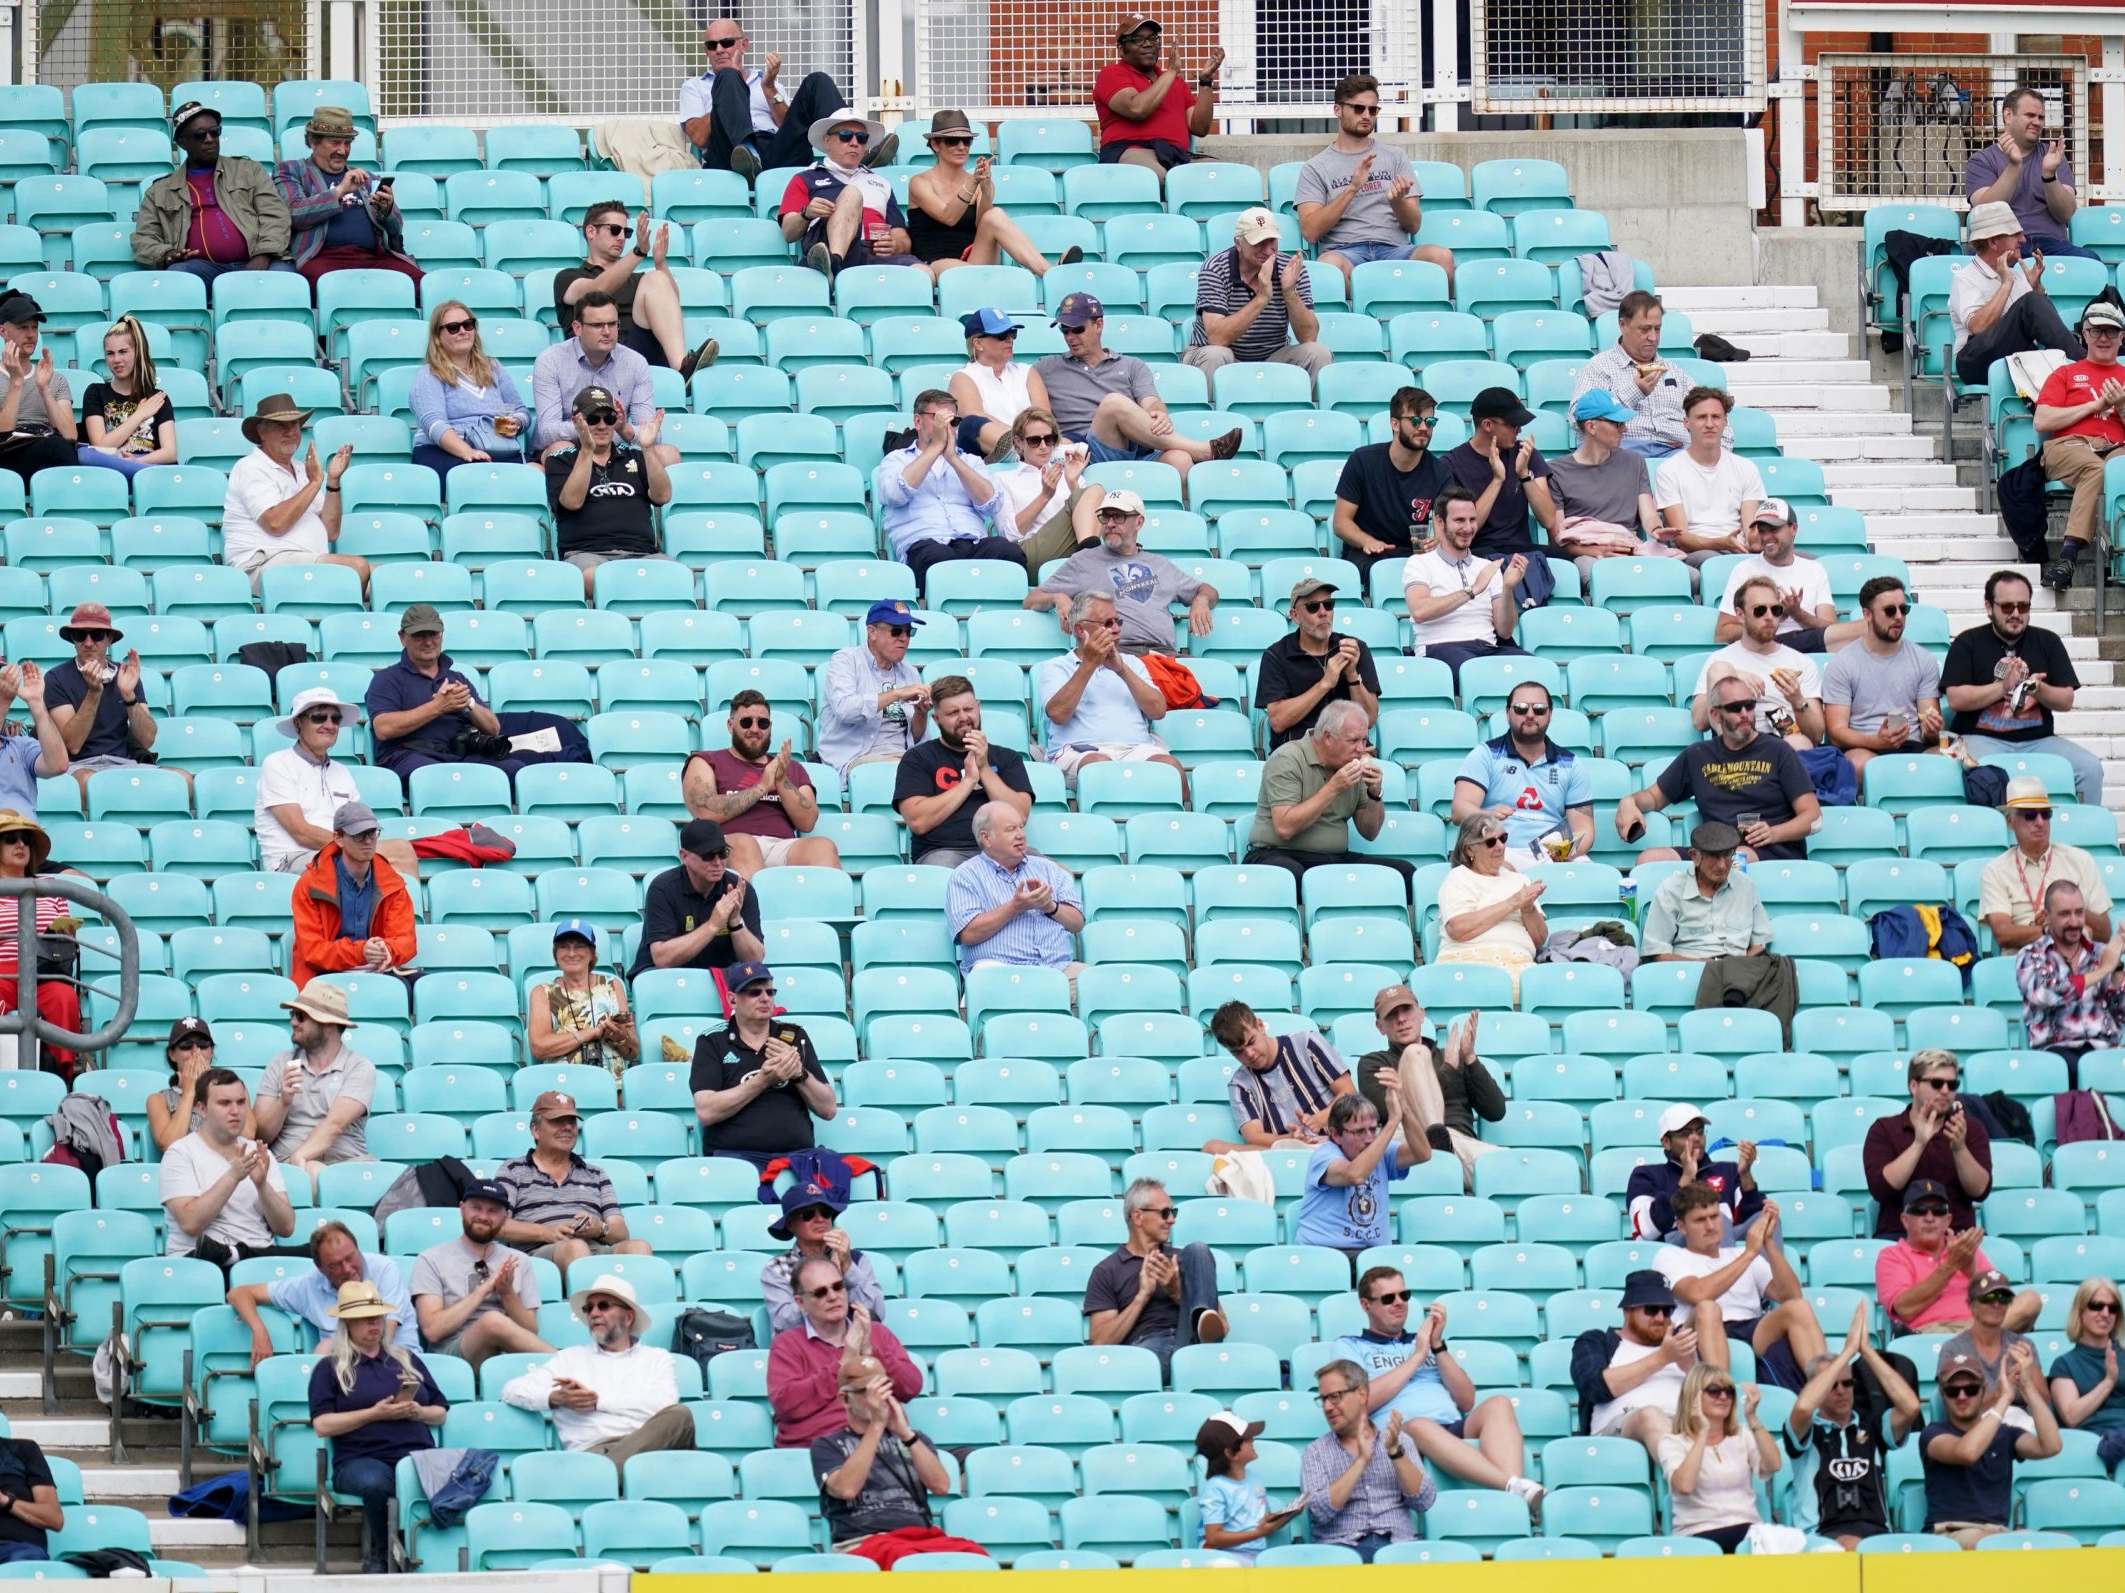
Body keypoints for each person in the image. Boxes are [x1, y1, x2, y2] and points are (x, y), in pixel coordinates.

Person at [1331, 1267, 1543, 1509]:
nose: (1399, 1303)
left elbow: (1466, 1401)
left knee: (1499, 1404)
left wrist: (1437, 1346)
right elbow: (1359, 1405)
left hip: (1451, 1426)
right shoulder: (1349, 1346)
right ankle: (1513, 1489)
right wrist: (1418, 1357)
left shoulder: (1424, 1340)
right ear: (1366, 1306)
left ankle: (1515, 1495)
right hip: (1400, 1434)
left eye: (1404, 1295)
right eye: (1389, 1298)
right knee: (1420, 1424)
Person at [308, 1280, 446, 1573]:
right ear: (347, 1323)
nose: (374, 1323)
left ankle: (433, 1555)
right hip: (360, 1459)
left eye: (378, 1316)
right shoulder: (329, 1368)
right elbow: (322, 1425)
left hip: (415, 1454)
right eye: (365, 1318)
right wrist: (374, 1413)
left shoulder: (406, 1360)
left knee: (452, 1474)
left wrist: (417, 1411)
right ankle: (382, 1553)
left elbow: (440, 1412)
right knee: (376, 1482)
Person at [1617, 672, 1822, 863]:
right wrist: (1629, 802)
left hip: (1770, 851)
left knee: (1737, 858)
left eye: (1749, 705)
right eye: (1735, 708)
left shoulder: (1778, 751)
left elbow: (1813, 816)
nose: (1744, 713)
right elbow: (1654, 797)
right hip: (1713, 852)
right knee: (1649, 860)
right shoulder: (1698, 755)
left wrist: (1773, 832)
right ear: (1715, 715)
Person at [1035, 293, 1239, 478]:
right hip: (1082, 452)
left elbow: (1151, 402)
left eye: (1077, 329)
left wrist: (1158, 413)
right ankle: (1203, 451)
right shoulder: (1045, 368)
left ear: (1099, 325)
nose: (1070, 337)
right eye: (1064, 330)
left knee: (1180, 460)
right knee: (1113, 403)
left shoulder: (1132, 365)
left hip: (1132, 448)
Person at [1941, 569, 2101, 804]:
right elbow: (1956, 699)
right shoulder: (1968, 642)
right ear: (1989, 607)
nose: (2016, 614)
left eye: (2023, 607)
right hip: (1980, 738)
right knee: (1959, 769)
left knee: (2090, 768)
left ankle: (2082, 836)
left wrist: (2038, 688)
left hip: (2039, 740)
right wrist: (2002, 687)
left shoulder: (2048, 641)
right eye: (2007, 607)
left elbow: (2066, 700)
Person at [501, 1275, 695, 1463]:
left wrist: (596, 1402)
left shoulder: (657, 1358)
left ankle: (605, 1476)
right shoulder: (569, 1358)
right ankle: (604, 1474)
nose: (593, 1314)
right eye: (589, 1308)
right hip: (591, 1454)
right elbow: (511, 1390)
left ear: (628, 1318)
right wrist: (555, 1398)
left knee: (680, 1416)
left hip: (648, 1450)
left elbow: (663, 1405)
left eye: (603, 1306)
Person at [1296, 74, 1453, 291]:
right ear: (1337, 110)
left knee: (1441, 257)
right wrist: (1352, 188)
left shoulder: (1395, 157)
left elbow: (1413, 225)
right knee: (1328, 266)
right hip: (1346, 253)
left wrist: (1397, 201)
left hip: (1395, 249)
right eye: (1359, 109)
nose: (1367, 115)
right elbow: (1311, 231)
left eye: (1373, 110)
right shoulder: (1315, 167)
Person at [1782, 1306, 1923, 1549]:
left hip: (1878, 1535)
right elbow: (1805, 1407)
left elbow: (1910, 1408)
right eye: (1832, 1384)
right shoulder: (1806, 1430)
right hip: (1820, 1536)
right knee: (1850, 1545)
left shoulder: (1872, 1424)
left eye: (1848, 1383)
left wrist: (1866, 1352)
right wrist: (1847, 1353)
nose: (1841, 1390)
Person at [1658, 1186, 1822, 1392]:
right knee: (1708, 1307)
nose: (1710, 1226)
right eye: (1700, 1220)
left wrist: (1769, 1245)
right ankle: (1720, 1393)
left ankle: (1824, 1395)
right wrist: (1750, 1253)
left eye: (1714, 1217)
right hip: (1698, 1329)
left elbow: (1791, 1295)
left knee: (1799, 1308)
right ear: (1682, 1227)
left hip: (1749, 1327)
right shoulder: (1670, 1256)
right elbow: (1697, 1294)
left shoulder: (1739, 1254)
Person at [254, 687, 419, 879]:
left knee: (402, 849)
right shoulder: (277, 763)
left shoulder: (342, 772)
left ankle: (404, 910)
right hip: (292, 860)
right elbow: (301, 832)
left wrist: (360, 847)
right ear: (299, 723)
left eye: (335, 719)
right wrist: (355, 848)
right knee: (368, 863)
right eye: (319, 717)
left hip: (340, 853)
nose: (329, 724)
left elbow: (359, 826)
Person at [1241, 700, 1405, 891]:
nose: (1361, 749)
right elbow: (1285, 827)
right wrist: (1333, 788)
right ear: (1327, 737)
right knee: (1292, 875)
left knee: (1402, 874)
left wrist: (1374, 793)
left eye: (1364, 740)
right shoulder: (1287, 759)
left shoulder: (1352, 763)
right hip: (1278, 853)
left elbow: (1369, 832)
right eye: (1353, 741)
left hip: (1333, 859)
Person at [1026, 489, 1214, 654]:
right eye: (1105, 517)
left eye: (1119, 516)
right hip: (1111, 653)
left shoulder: (1160, 564)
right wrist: (1057, 597)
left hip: (1163, 656)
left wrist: (1201, 599)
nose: (1110, 524)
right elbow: (1031, 600)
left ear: (1139, 522)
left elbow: (1207, 589)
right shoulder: (1084, 561)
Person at [691, 959, 837, 1172]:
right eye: (754, 993)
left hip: (797, 1158)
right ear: (732, 999)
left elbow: (828, 1109)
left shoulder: (794, 1036)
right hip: (735, 1160)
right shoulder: (712, 1041)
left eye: (770, 992)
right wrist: (763, 1080)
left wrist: (799, 1073)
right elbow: (706, 1111)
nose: (765, 998)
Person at [680, 16, 867, 179]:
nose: (719, 49)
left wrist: (769, 89)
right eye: (712, 45)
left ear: (743, 45)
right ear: (706, 52)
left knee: (817, 80)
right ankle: (748, 155)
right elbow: (700, 138)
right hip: (730, 156)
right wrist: (727, 93)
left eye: (727, 42)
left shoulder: (765, 81)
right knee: (728, 78)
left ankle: (856, 145)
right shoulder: (695, 86)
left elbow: (789, 125)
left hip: (776, 151)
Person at [219, 394, 370, 596]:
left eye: (294, 425)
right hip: (262, 565)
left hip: (304, 562)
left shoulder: (302, 469)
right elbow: (275, 523)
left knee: (385, 579)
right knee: (356, 568)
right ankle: (336, 618)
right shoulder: (249, 467)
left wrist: (332, 482)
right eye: (280, 426)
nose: (290, 432)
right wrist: (315, 482)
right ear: (261, 432)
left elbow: (331, 532)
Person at [365, 605, 527, 791]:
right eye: (419, 635)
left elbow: (493, 728)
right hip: (410, 755)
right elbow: (383, 728)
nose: (428, 642)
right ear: (403, 638)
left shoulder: (457, 678)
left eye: (433, 634)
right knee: (434, 776)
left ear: (441, 635)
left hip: (459, 755)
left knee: (514, 770)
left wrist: (468, 703)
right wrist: (438, 707)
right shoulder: (386, 679)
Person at [767, 1254, 922, 1448]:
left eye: (838, 1286)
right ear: (800, 1302)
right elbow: (787, 1406)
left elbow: (911, 1387)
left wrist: (869, 1351)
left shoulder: (876, 1333)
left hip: (883, 1445)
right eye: (820, 1292)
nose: (833, 1296)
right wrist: (845, 1361)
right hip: (817, 1450)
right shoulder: (787, 1344)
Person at [130, 100, 291, 283]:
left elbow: (276, 215)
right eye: (200, 135)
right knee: (179, 275)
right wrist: (168, 253)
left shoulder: (249, 171)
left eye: (214, 132)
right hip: (203, 268)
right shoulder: (159, 191)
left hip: (259, 259)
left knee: (284, 278)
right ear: (182, 142)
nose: (210, 139)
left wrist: (263, 255)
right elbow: (143, 239)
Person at [874, 388, 1015, 597]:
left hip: (972, 542)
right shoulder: (896, 460)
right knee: (938, 558)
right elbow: (894, 494)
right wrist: (935, 448)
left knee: (1008, 552)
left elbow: (992, 503)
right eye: (938, 419)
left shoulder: (970, 461)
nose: (946, 426)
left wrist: (954, 460)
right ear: (918, 422)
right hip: (926, 544)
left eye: (952, 421)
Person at [814, 1364, 962, 1563]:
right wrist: (877, 1424)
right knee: (902, 1559)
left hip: (920, 1538)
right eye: (868, 1392)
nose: (878, 1400)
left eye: (883, 1389)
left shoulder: (915, 1440)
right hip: (862, 1541)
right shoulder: (826, 1445)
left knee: (972, 1556)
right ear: (845, 1399)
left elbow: (941, 1486)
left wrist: (905, 1434)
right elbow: (847, 1489)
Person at [1357, 990, 1504, 1188]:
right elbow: (1387, 1111)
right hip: (1409, 1144)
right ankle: (1436, 1139)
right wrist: (1448, 1071)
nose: (1401, 1019)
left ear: (1421, 1014)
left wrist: (1470, 1059)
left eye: (1406, 1010)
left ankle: (1441, 1145)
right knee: (1415, 1053)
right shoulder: (1374, 1063)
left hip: (1460, 1149)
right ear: (1380, 1026)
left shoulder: (1452, 1055)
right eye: (1392, 1014)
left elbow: (1495, 1111)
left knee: (1518, 1168)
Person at [684, 692, 840, 878]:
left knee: (823, 847)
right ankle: (756, 906)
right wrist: (761, 787)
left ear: (770, 728)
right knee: (745, 844)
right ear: (730, 725)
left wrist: (781, 781)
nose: (755, 729)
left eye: (762, 723)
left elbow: (808, 821)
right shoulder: (706, 761)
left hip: (782, 845)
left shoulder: (790, 768)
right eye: (746, 722)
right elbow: (704, 811)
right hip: (731, 844)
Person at [552, 202, 716, 378]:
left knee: (657, 278)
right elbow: (595, 291)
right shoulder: (568, 277)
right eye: (615, 230)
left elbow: (671, 306)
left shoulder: (643, 282)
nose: (622, 237)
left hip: (640, 359)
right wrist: (638, 252)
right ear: (591, 232)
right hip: (596, 362)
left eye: (626, 232)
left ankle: (681, 371)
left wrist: (660, 264)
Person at [1921, 1343, 2061, 1547]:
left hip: (1998, 1534)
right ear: (1943, 1395)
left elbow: (2051, 1446)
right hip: (1951, 1534)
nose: (1962, 1396)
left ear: (1982, 1390)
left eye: (1971, 1389)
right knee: (1994, 1543)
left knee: (2057, 1542)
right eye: (1953, 1391)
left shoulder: (2005, 1434)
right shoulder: (1933, 1433)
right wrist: (2004, 1398)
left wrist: (2027, 1386)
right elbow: (1967, 1452)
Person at [495, 1092, 653, 1271]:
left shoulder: (595, 1174)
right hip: (540, 1255)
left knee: (640, 1248)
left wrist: (600, 1229)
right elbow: (498, 1225)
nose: (567, 1127)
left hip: (595, 1249)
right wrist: (547, 1233)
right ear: (535, 1130)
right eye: (557, 1121)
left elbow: (621, 1233)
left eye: (572, 1121)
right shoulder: (513, 1170)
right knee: (576, 1247)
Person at [1082, 1176, 1227, 1372]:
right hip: (1148, 1347)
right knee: (1144, 1362)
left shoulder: (1185, 1260)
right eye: (1165, 1213)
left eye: (1173, 1212)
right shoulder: (1108, 1270)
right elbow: (1100, 1343)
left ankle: (1199, 1338)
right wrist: (1142, 1296)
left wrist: (1176, 1291)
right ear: (1138, 1217)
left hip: (1192, 1341)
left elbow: (1222, 1326)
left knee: (1198, 1249)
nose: (1172, 1220)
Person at [1035, 592, 1181, 785]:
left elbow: (1158, 711)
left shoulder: (1132, 664)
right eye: (1107, 624)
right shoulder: (1057, 666)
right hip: (1081, 752)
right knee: (1099, 766)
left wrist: (1122, 670)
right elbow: (1058, 714)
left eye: (1118, 622)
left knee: (1172, 769)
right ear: (1080, 629)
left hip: (1136, 749)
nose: (1115, 629)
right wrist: (1089, 665)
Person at [2031, 299, 2125, 591]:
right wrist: (2095, 405)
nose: (2103, 338)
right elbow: (2042, 420)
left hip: (2116, 447)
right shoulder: (2065, 373)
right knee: (2095, 469)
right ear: (2083, 334)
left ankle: (2116, 554)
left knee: (2116, 469)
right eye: (2096, 331)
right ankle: (2069, 555)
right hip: (2069, 446)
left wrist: (2121, 406)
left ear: (2122, 337)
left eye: (2111, 331)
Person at [893, 674, 1033, 870]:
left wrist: (984, 768)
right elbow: (918, 821)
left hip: (1004, 849)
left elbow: (1019, 815)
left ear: (978, 707)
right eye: (952, 713)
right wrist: (968, 782)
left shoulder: (1007, 758)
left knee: (1057, 876)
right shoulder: (918, 758)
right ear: (936, 719)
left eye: (968, 709)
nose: (963, 718)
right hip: (944, 852)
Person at [906, 110, 1068, 279]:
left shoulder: (974, 181)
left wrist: (985, 189)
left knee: (995, 215)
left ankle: (1050, 274)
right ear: (935, 144)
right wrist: (973, 183)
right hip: (935, 263)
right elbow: (948, 217)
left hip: (975, 259)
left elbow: (983, 224)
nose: (961, 147)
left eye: (967, 141)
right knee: (951, 266)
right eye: (952, 141)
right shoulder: (920, 182)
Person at [1301, 1359, 1435, 1561]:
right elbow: (1317, 1512)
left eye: (1335, 1397)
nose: (1327, 1407)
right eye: (1323, 1399)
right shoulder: (1315, 1452)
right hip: (1342, 1551)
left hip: (1397, 1548)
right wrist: (1361, 1461)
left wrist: (1396, 1454)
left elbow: (1423, 1501)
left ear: (1361, 1394)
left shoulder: (1399, 1441)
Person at [160, 1068, 296, 1265]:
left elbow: (286, 1227)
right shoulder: (180, 1153)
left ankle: (238, 1254)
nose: (235, 1111)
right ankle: (236, 1255)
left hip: (259, 1258)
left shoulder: (258, 1152)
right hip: (203, 1263)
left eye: (241, 1103)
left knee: (318, 1255)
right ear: (202, 1109)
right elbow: (190, 1223)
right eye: (224, 1103)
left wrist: (262, 1186)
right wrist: (233, 1177)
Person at [228, 1219, 415, 1361]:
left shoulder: (384, 1269)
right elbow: (239, 1293)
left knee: (325, 1348)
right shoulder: (310, 1285)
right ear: (320, 1268)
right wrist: (259, 1331)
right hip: (342, 1374)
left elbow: (385, 1336)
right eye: (336, 1265)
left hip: (398, 1362)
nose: (347, 1269)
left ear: (358, 1250)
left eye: (350, 1258)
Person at [273, 106, 420, 288]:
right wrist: (339, 191)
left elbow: (396, 229)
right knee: (332, 287)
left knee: (421, 283)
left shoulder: (367, 178)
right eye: (335, 143)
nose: (343, 151)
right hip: (322, 258)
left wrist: (387, 210)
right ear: (313, 142)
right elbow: (294, 213)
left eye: (347, 143)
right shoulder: (291, 170)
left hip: (373, 258)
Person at [1449, 680, 1593, 864]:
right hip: (1497, 846)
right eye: (1521, 708)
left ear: (1550, 714)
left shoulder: (1571, 764)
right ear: (1508, 713)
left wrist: (1560, 855)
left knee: (1584, 867)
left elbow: (1584, 829)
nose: (1530, 714)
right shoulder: (1486, 754)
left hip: (1552, 853)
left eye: (1539, 709)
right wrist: (1486, 817)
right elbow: (1459, 810)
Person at [409, 1179, 550, 1366]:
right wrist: (484, 1289)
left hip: (507, 1355)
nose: (483, 1216)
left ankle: (567, 1366)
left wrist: (507, 1292)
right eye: (476, 1208)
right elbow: (432, 1330)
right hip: (453, 1356)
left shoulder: (518, 1260)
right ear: (462, 1209)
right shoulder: (431, 1259)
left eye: (493, 1211)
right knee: (491, 1321)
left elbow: (530, 1331)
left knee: (495, 1323)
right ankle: (567, 1364)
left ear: (505, 1217)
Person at [1401, 485, 1531, 686]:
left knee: (1534, 669)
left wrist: (1508, 589)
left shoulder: (1487, 567)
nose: (1468, 528)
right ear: (1440, 522)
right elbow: (1420, 611)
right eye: (1459, 520)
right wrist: (1472, 590)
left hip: (1486, 648)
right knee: (1476, 672)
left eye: (1472, 520)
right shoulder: (1419, 562)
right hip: (1440, 648)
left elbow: (1505, 632)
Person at [1441, 388, 1559, 607]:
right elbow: (1467, 529)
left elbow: (1548, 519)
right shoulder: (1452, 464)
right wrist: (1497, 480)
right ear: (1488, 425)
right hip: (1476, 553)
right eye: (1512, 425)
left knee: (1566, 564)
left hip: (1522, 550)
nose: (1519, 430)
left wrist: (1524, 475)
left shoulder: (1525, 453)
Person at [1182, 206, 1329, 383]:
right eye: (1259, 243)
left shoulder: (1289, 268)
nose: (1268, 251)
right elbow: (1217, 338)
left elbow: (1309, 336)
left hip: (1272, 355)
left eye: (1272, 241)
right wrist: (1262, 298)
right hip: (1218, 354)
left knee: (1318, 353)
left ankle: (1305, 411)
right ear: (1238, 243)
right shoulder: (1216, 268)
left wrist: (1289, 292)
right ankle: (1212, 411)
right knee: (1216, 354)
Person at [1546, 388, 1678, 581]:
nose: (1624, 429)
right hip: (1588, 552)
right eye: (1617, 423)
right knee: (1591, 573)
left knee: (1688, 576)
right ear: (1591, 427)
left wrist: (1658, 530)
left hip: (1629, 546)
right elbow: (1558, 537)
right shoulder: (1557, 471)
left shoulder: (1635, 461)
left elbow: (1648, 514)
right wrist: (1597, 549)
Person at [1949, 200, 2083, 389]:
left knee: (2035, 303)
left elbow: (2049, 329)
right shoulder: (1965, 278)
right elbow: (1978, 327)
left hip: (2015, 356)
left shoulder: (2017, 276)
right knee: (2030, 303)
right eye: (2015, 234)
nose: (2023, 240)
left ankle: (2083, 367)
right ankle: (2085, 367)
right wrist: (2006, 284)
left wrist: (2037, 289)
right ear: (1994, 241)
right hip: (1974, 363)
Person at [946, 802, 1084, 982]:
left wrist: (1050, 906)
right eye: (1011, 829)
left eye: (1021, 827)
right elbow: (967, 934)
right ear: (986, 838)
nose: (1020, 835)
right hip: (998, 972)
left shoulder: (1049, 869)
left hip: (1058, 970)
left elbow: (1077, 924)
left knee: (1100, 984)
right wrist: (1015, 907)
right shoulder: (966, 876)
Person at [1822, 577, 1944, 778]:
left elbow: (1927, 726)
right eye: (1889, 611)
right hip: (1864, 744)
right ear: (1867, 614)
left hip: (1912, 743)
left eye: (1903, 610)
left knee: (1950, 760)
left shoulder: (1924, 660)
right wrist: (1877, 742)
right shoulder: (1842, 663)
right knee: (1860, 764)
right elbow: (1836, 732)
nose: (1898, 617)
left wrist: (1932, 729)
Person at [1863, 1051, 1994, 1237]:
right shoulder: (1884, 1129)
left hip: (1956, 1239)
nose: (1945, 1091)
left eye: (1952, 1084)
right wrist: (1919, 1143)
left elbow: (1980, 1190)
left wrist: (1960, 1148)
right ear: (1914, 1086)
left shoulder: (1969, 1129)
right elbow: (1881, 1189)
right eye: (1937, 1083)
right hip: (1900, 1240)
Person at [1294, 1091, 1429, 1270]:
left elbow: (1423, 1153)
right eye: (1359, 1132)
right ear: (1335, 1135)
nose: (1369, 1139)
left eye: (1373, 1129)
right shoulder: (1324, 1155)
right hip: (1324, 1255)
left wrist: (1404, 1110)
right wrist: (1392, 1123)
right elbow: (1355, 1175)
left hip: (1374, 1257)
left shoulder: (1381, 1152)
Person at [287, 801, 416, 989]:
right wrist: (361, 951)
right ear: (338, 838)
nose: (368, 840)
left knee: (428, 988)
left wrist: (386, 949)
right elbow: (312, 951)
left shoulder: (392, 883)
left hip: (378, 971)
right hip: (323, 974)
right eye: (359, 835)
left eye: (372, 833)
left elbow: (406, 940)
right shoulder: (310, 884)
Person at [1330, 386, 1452, 583]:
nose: (1423, 428)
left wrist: (1438, 538)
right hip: (1369, 555)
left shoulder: (1440, 472)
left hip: (1416, 556)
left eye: (1430, 422)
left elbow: (1448, 521)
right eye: (1415, 421)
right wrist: (1367, 541)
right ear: (1394, 424)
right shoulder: (1363, 460)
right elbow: (1341, 523)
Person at [1963, 84, 2096, 262]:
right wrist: (2014, 166)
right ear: (2008, 115)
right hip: (2001, 247)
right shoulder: (1981, 160)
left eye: (2041, 117)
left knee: (2090, 261)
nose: (2037, 122)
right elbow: (1985, 210)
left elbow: (2065, 213)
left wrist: (2049, 175)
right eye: (2030, 115)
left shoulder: (2054, 156)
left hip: (2051, 245)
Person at [530, 292, 668, 462]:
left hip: (616, 450)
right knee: (562, 449)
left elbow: (650, 432)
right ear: (577, 328)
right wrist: (592, 426)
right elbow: (547, 432)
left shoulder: (636, 363)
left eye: (612, 324)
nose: (607, 332)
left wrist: (624, 429)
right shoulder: (550, 360)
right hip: (569, 448)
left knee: (668, 454)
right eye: (597, 325)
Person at [1571, 1270, 1697, 1454]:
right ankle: (1684, 1477)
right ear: (1627, 1310)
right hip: (1621, 1430)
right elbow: (1595, 1387)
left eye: (1667, 1310)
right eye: (1651, 1309)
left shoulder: (1680, 1346)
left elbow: (1715, 1396)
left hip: (1683, 1425)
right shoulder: (1597, 1341)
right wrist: (1663, 1358)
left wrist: (1692, 1370)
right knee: (1650, 1415)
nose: (1660, 1318)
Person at [254, 983, 375, 1174]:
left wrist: (300, 1157)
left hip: (346, 1163)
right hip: (286, 1164)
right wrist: (283, 1101)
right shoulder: (280, 1062)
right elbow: (261, 1135)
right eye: (292, 1014)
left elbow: (335, 1124)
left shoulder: (359, 1067)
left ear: (327, 1025)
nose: (293, 1022)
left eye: (301, 1016)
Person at [783, 112, 919, 282]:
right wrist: (806, 214)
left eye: (861, 138)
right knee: (852, 194)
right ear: (827, 141)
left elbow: (900, 234)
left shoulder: (881, 182)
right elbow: (788, 233)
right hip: (824, 247)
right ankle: (834, 264)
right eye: (845, 136)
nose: (854, 143)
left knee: (923, 273)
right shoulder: (806, 178)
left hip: (871, 251)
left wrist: (896, 244)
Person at [1981, 776, 2111, 953]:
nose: (2040, 822)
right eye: (2030, 815)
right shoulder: (1996, 870)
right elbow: (2003, 934)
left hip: (2076, 962)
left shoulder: (2080, 860)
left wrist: (2069, 913)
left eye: (2045, 814)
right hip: (2022, 965)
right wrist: (2050, 930)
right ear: (2010, 822)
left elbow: (2104, 932)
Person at [1657, 1364, 1779, 1552]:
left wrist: (1753, 1418)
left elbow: (1773, 1465)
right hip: (1698, 1536)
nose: (1723, 1397)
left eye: (1729, 1391)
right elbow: (1685, 1486)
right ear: (1693, 1397)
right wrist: (1703, 1432)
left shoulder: (1742, 1435)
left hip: (1747, 1533)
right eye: (1714, 1391)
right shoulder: (1673, 1442)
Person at [45, 603, 160, 801]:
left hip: (123, 763)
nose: (88, 642)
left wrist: (129, 696)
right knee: (88, 783)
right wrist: (94, 692)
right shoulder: (56, 678)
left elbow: (147, 739)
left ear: (109, 639)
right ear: (73, 640)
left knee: (184, 780)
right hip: (79, 765)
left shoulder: (127, 676)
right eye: (80, 635)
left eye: (97, 634)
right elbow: (73, 744)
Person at [627, 818, 766, 982]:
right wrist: (713, 925)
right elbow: (662, 958)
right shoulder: (663, 888)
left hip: (722, 974)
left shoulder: (739, 889)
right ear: (684, 856)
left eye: (722, 853)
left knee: (756, 979)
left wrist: (736, 922)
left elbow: (755, 960)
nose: (718, 862)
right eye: (708, 855)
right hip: (665, 975)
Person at [1712, 500, 1857, 653]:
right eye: (1762, 531)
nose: (1767, 537)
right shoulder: (1744, 570)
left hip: (1809, 648)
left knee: (1862, 629)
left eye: (1773, 529)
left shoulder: (1814, 570)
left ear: (1793, 528)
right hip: (1764, 648)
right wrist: (1771, 620)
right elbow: (1722, 633)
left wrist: (1798, 614)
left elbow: (1831, 631)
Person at [1256, 577, 1382, 751]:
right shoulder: (1276, 655)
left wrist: (1352, 676)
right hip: (1298, 753)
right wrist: (1325, 683)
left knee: (1371, 771)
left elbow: (1369, 718)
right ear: (1295, 615)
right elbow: (1278, 721)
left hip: (1350, 751)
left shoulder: (1354, 648)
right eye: (1313, 607)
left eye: (1328, 605)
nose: (1323, 612)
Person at [408, 300, 530, 478]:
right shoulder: (429, 374)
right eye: (453, 327)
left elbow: (521, 411)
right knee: (481, 476)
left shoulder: (493, 367)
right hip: (443, 451)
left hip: (495, 447)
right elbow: (434, 425)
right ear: (437, 337)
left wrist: (516, 423)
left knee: (538, 472)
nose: (463, 331)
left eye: (468, 325)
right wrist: (467, 452)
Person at [0, 811, 80, 1076]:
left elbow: (65, 934)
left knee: (64, 997)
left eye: (25, 839)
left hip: (44, 970)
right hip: (3, 971)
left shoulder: (51, 885)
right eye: (11, 839)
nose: (20, 845)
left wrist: (65, 932)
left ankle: (62, 1077)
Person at [1093, 16, 1221, 182]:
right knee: (1155, 177)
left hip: (1175, 154)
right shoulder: (1111, 74)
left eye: (1153, 38)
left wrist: (1205, 82)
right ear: (1121, 48)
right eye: (1138, 40)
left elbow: (1200, 128)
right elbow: (1136, 109)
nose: (1148, 44)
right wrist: (1171, 71)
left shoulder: (1175, 82)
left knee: (1224, 176)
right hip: (1130, 149)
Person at [1433, 811, 1547, 997]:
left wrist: (1527, 909)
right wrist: (1512, 903)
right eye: (1490, 842)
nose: (1500, 846)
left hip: (1518, 964)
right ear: (1470, 849)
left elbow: (1539, 940)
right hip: (1466, 962)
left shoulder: (1520, 880)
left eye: (1503, 838)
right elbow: (1457, 928)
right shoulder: (1459, 877)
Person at [2017, 880, 2125, 1073]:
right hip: (2057, 1052)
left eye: (2079, 912)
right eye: (2065, 914)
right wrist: (2102, 970)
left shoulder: (2102, 954)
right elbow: (2044, 995)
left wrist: (2116, 967)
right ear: (2047, 916)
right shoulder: (2032, 955)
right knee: (2078, 1069)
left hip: (2105, 1049)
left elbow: (2121, 1013)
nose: (2074, 922)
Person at [1213, 1000, 1353, 1148]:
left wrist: (1320, 1119)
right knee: (1212, 1147)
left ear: (1260, 1026)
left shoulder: (1308, 1043)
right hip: (1287, 1155)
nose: (1249, 1054)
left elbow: (1349, 1092)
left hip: (1337, 1142)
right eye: (1238, 1052)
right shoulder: (1239, 1084)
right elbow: (1253, 1136)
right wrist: (1291, 1139)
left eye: (1251, 1042)